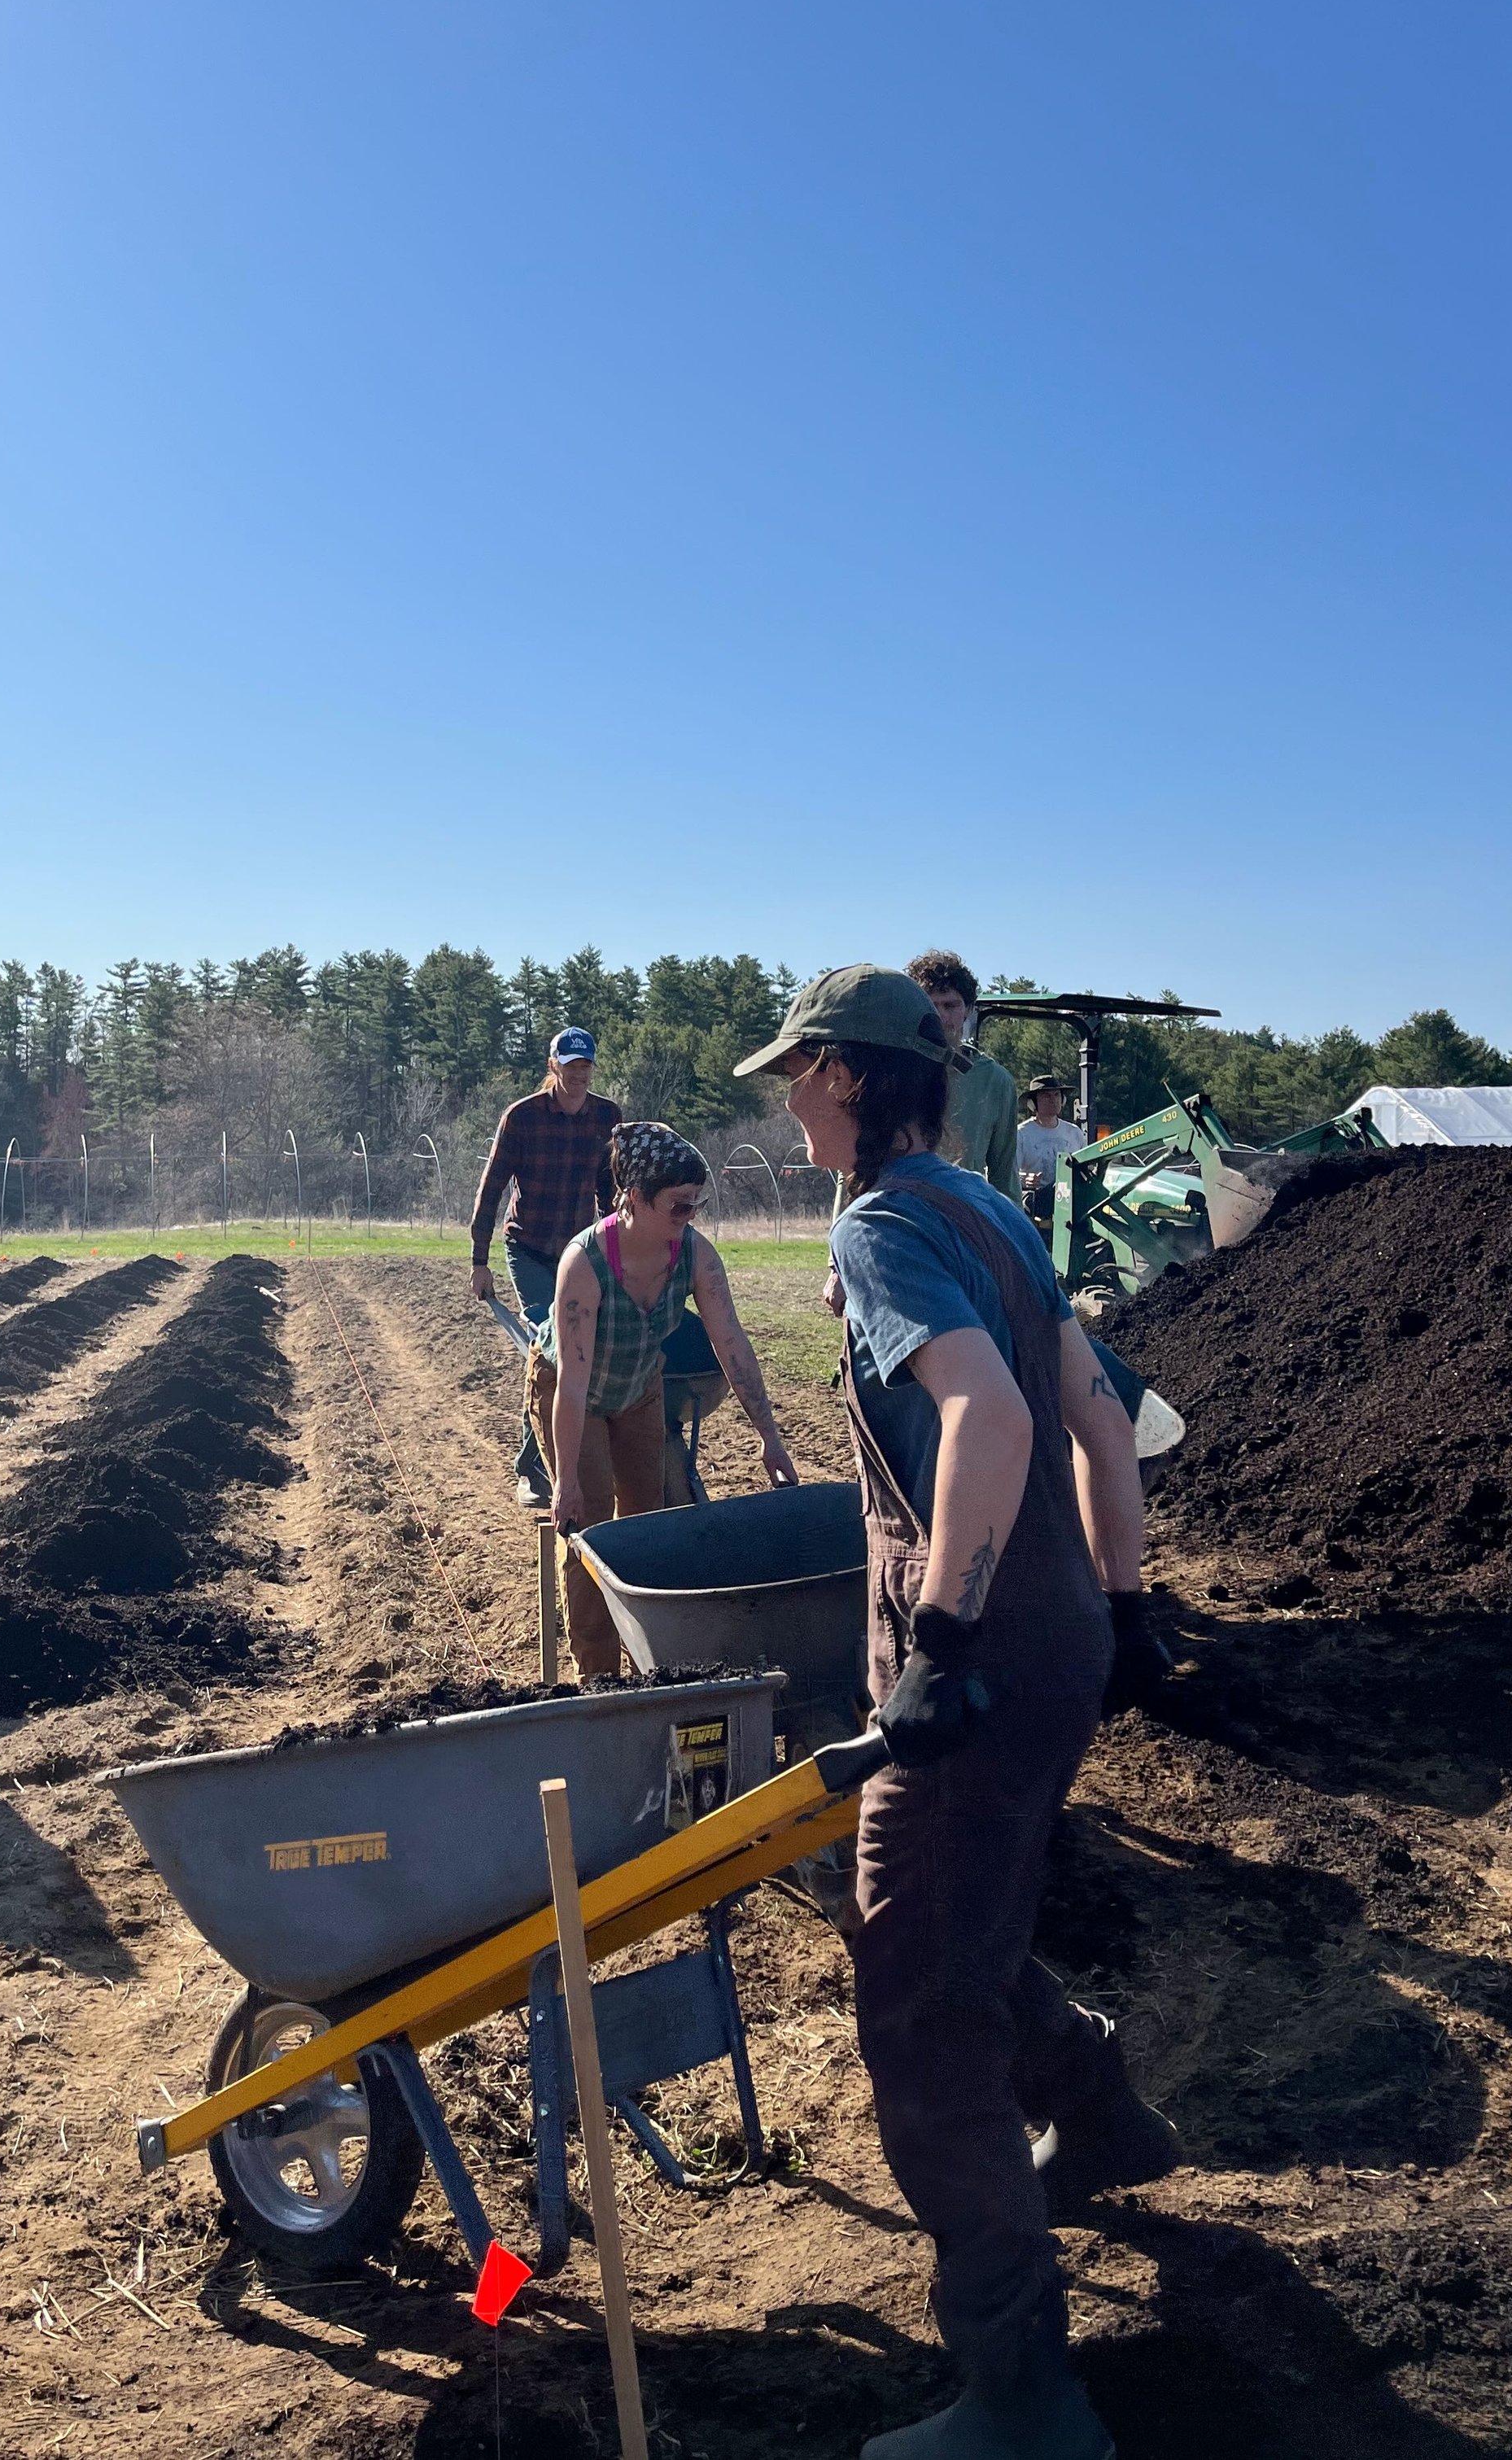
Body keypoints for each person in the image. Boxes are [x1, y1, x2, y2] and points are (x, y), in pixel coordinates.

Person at [735, 967, 1178, 2460]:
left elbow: (992, 1415)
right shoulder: (990, 1206)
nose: (786, 1098)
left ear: (848, 1078)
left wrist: (936, 1635)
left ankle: (1024, 2398)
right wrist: (1123, 1607)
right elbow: (1100, 1418)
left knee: (920, 2009)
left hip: (976, 1660)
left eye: (794, 1072)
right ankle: (1099, 2111)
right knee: (938, 1913)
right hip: (1053, 1648)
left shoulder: (882, 1223)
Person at [531, 1121, 798, 1675]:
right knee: (593, 1530)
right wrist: (566, 1481)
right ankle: (599, 1674)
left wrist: (770, 1438)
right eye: (678, 1206)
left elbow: (733, 1345)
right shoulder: (585, 1264)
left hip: (640, 1387)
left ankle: (650, 1657)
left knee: (647, 1520)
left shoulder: (696, 1256)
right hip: (572, 1393)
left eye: (696, 1204)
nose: (690, 1216)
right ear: (634, 1199)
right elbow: (576, 1384)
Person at [469, 1028, 623, 1508]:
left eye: (586, 1065)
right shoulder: (523, 1117)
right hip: (530, 1248)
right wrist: (479, 1260)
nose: (578, 1073)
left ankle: (578, 1456)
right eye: (570, 1064)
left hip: (579, 1250)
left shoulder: (606, 1117)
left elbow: (610, 1190)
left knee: (578, 1349)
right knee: (551, 1348)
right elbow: (491, 1187)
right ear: (553, 1065)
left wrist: (615, 1247)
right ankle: (533, 1469)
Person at [907, 950, 1018, 1199]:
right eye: (931, 1005)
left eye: (950, 1005)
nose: (940, 1016)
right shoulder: (890, 1069)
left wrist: (1014, 1233)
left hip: (961, 1218)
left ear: (967, 1009)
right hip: (898, 1216)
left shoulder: (994, 1081)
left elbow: (1004, 1178)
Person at [1016, 1077, 1088, 1232]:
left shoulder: (1074, 1133)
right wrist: (1025, 1179)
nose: (1053, 1100)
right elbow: (1008, 1173)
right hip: (1038, 1203)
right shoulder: (1021, 1134)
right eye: (1046, 1096)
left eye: (1056, 1095)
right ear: (1032, 1103)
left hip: (1073, 1201)